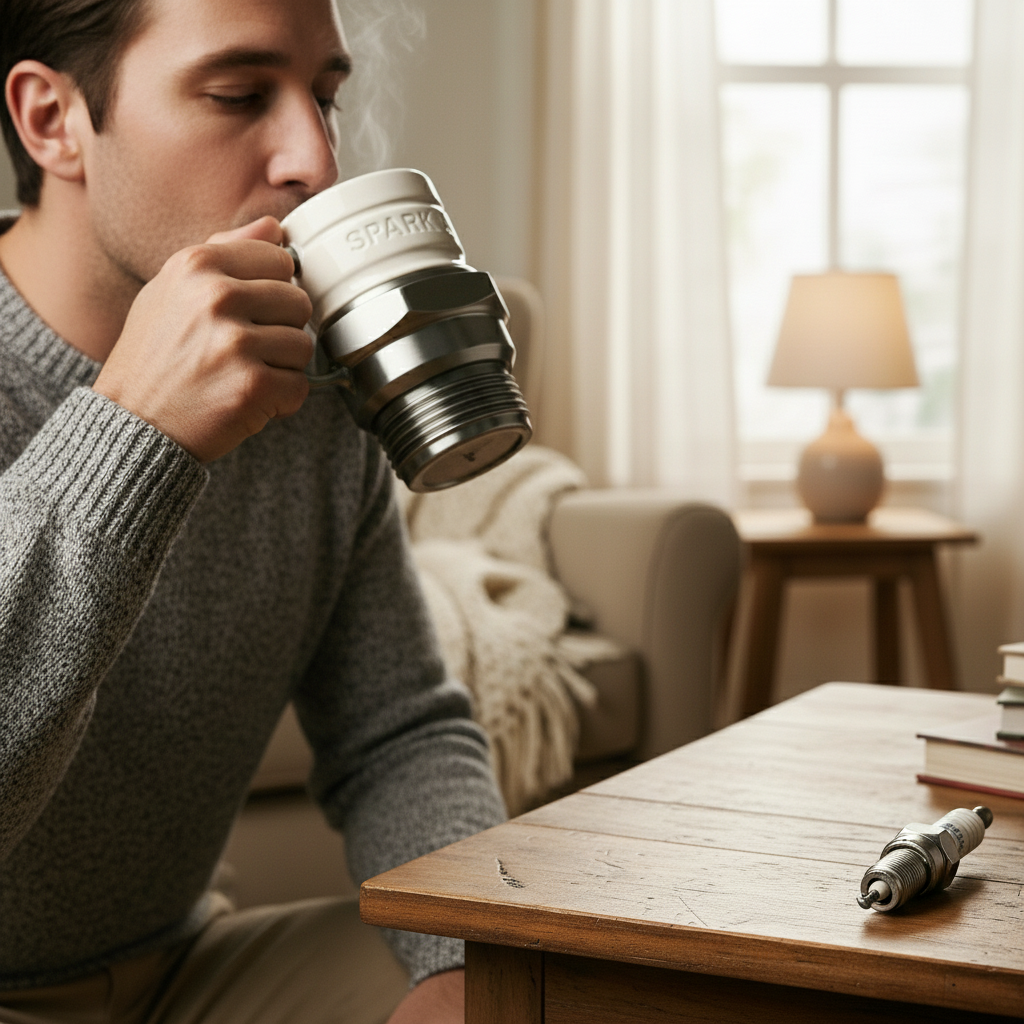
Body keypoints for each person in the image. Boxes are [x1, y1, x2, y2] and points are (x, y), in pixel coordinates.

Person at [0, 0, 507, 1021]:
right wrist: (132, 428)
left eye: (324, 98)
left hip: (192, 969)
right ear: (52, 120)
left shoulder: (311, 384)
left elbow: (396, 731)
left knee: (550, 987)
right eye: (237, 94)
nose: (314, 162)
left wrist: (457, 965)